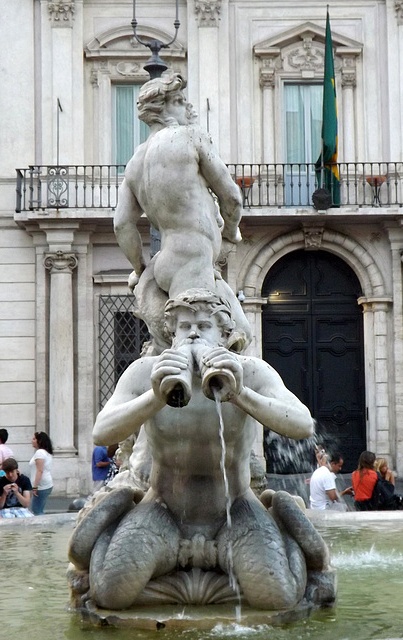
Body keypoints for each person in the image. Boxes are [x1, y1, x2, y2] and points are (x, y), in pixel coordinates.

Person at [89, 289, 317, 610]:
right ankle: (116, 533)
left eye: (203, 325)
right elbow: (102, 432)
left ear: (224, 334)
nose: (193, 332)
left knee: (278, 597)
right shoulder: (145, 371)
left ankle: (282, 532)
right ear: (172, 334)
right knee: (109, 593)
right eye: (184, 326)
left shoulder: (250, 370)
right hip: (164, 510)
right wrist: (156, 395)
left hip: (234, 512)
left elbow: (302, 425)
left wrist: (240, 394)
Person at [113, 72, 251, 352]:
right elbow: (232, 198)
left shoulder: (134, 162)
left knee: (241, 333)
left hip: (165, 262)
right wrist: (229, 232)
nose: (190, 108)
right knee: (198, 346)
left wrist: (140, 268)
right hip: (194, 256)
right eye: (179, 100)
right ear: (162, 109)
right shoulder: (190, 137)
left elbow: (122, 226)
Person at [29, 431, 53, 515]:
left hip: (41, 486)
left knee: (37, 510)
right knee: (38, 509)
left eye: (34, 439)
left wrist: (35, 487)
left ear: (39, 441)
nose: (32, 440)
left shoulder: (40, 453)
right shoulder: (45, 452)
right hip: (45, 484)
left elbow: (39, 470)